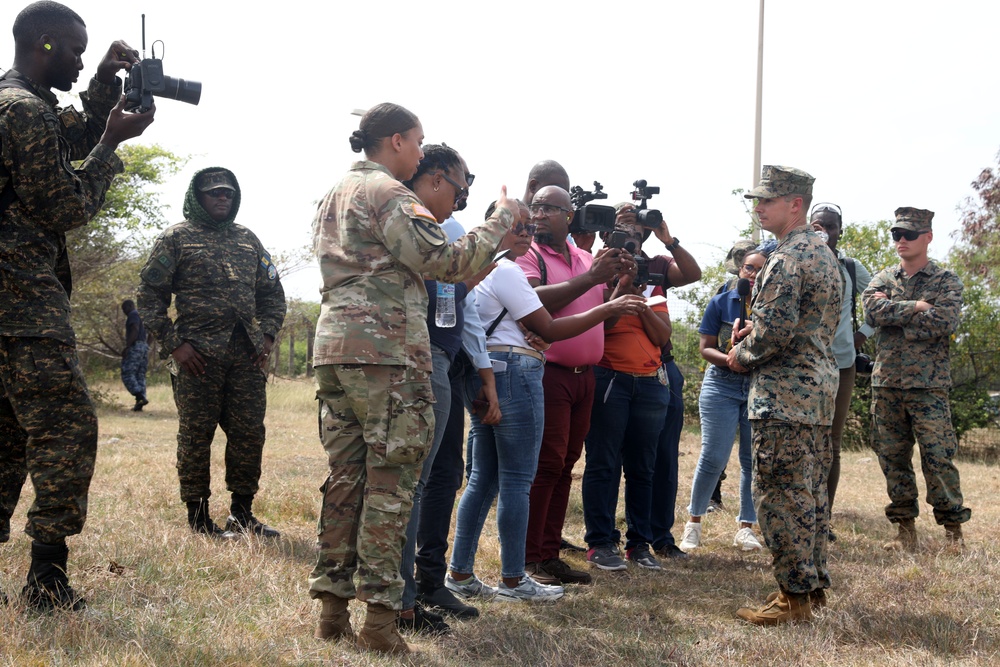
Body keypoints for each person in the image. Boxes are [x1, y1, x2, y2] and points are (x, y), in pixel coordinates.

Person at [308, 103, 514, 654]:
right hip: (386, 353)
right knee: (391, 485)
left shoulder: (335, 192)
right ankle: (379, 622)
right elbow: (445, 261)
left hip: (335, 348)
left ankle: (331, 613)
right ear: (395, 140)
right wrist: (502, 220)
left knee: (346, 480)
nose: (423, 153)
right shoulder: (389, 193)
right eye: (419, 142)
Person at [0, 0, 154, 611]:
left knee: (6, 438)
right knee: (66, 430)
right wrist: (113, 144)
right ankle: (47, 577)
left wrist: (100, 88)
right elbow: (65, 204)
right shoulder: (22, 112)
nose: (81, 58)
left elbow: (64, 137)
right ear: (42, 45)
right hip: (23, 310)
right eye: (74, 51)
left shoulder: (15, 104)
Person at [447, 195, 647, 600]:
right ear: (495, 228)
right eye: (519, 224)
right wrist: (613, 308)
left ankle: (461, 573)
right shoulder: (506, 271)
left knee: (483, 480)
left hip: (489, 372)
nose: (529, 230)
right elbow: (549, 328)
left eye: (529, 224)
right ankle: (514, 578)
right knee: (519, 480)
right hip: (517, 374)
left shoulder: (477, 270)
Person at [137, 167, 286, 541]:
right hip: (197, 358)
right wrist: (175, 343)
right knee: (196, 435)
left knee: (250, 433)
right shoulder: (176, 238)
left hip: (246, 358)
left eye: (228, 194)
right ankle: (199, 516)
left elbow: (272, 293)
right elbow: (149, 296)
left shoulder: (247, 240)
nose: (223, 198)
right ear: (197, 197)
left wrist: (267, 336)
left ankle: (242, 513)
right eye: (214, 193)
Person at [727, 165, 841, 626]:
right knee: (809, 496)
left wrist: (739, 352)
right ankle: (809, 590)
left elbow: (773, 334)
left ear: (796, 204)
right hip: (814, 395)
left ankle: (792, 598)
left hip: (782, 398)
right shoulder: (822, 252)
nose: (759, 207)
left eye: (768, 200)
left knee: (779, 496)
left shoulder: (787, 256)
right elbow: (809, 325)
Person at [393, 144, 493, 635]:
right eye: (460, 185)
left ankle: (427, 582)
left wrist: (481, 369)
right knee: (413, 481)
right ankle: (401, 598)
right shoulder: (415, 223)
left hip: (448, 363)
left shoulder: (443, 229)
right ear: (434, 178)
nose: (464, 195)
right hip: (417, 362)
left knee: (442, 474)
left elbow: (460, 302)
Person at [516, 177, 634, 586]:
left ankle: (549, 553)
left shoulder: (585, 260)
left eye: (549, 208)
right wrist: (592, 278)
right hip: (548, 373)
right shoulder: (528, 255)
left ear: (570, 216)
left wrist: (620, 286)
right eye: (536, 207)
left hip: (587, 378)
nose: (539, 214)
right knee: (546, 465)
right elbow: (533, 302)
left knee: (566, 465)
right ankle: (530, 559)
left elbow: (606, 317)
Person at [863, 207, 971, 551]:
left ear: (928, 237)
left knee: (938, 457)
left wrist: (897, 313)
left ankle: (953, 531)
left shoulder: (946, 280)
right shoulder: (882, 278)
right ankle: (904, 531)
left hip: (929, 386)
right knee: (892, 457)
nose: (902, 240)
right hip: (887, 384)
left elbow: (944, 323)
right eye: (897, 234)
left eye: (909, 234)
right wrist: (918, 307)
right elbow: (872, 312)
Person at [581, 209, 672, 572]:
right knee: (603, 464)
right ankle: (601, 543)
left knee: (642, 468)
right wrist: (619, 291)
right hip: (609, 380)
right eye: (621, 233)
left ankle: (640, 543)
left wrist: (639, 299)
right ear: (607, 237)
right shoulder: (594, 272)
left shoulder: (651, 281)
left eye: (635, 234)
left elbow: (662, 336)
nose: (629, 241)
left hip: (650, 383)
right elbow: (598, 327)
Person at [679, 247, 768, 553]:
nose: (753, 275)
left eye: (760, 269)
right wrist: (729, 360)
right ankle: (693, 523)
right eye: (748, 268)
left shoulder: (773, 309)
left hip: (758, 388)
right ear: (740, 271)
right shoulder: (721, 301)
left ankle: (746, 528)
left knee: (751, 460)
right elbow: (705, 347)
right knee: (714, 456)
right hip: (721, 385)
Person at [809, 202, 874, 541]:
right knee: (802, 440)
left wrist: (864, 332)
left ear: (839, 231)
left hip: (842, 364)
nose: (824, 231)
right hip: (802, 365)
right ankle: (799, 518)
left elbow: (884, 296)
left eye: (830, 226)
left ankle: (824, 520)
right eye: (818, 225)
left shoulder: (849, 267)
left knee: (831, 442)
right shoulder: (795, 259)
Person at [120, 299, 149, 411]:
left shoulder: (133, 315)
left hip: (135, 346)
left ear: (130, 306)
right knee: (139, 374)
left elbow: (135, 328)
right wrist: (147, 345)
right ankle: (140, 404)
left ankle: (139, 396)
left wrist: (128, 346)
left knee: (127, 372)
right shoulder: (143, 316)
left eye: (125, 309)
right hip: (143, 346)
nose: (124, 312)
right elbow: (150, 331)